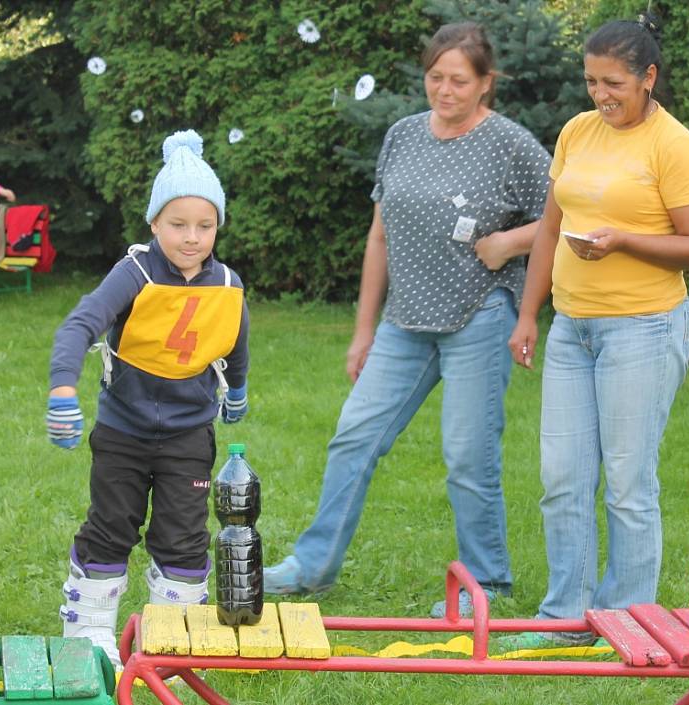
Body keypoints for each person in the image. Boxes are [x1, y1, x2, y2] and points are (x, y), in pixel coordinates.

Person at [264, 21, 551, 618]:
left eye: (459, 80)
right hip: (405, 321)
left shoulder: (511, 144)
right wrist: (364, 332)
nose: (444, 90)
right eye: (435, 77)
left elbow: (564, 215)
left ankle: (488, 586)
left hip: (480, 314)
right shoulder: (401, 136)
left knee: (468, 456)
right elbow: (379, 238)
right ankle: (312, 567)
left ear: (485, 83)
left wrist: (508, 244)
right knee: (354, 436)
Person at [500, 13, 689, 650]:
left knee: (627, 483)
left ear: (648, 78)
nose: (601, 95)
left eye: (614, 82)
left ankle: (631, 624)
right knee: (563, 477)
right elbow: (548, 228)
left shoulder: (674, 147)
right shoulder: (576, 132)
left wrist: (623, 239)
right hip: (574, 328)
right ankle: (566, 619)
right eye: (592, 81)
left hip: (644, 331)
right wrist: (528, 314)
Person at [46, 130, 250, 668]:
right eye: (177, 224)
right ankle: (89, 639)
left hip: (188, 436)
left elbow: (235, 340)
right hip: (124, 431)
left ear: (218, 227)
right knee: (111, 527)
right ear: (154, 223)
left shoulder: (227, 283)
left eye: (204, 226)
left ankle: (171, 646)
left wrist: (239, 389)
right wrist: (63, 387)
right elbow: (79, 325)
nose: (191, 237)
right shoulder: (133, 273)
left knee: (184, 538)